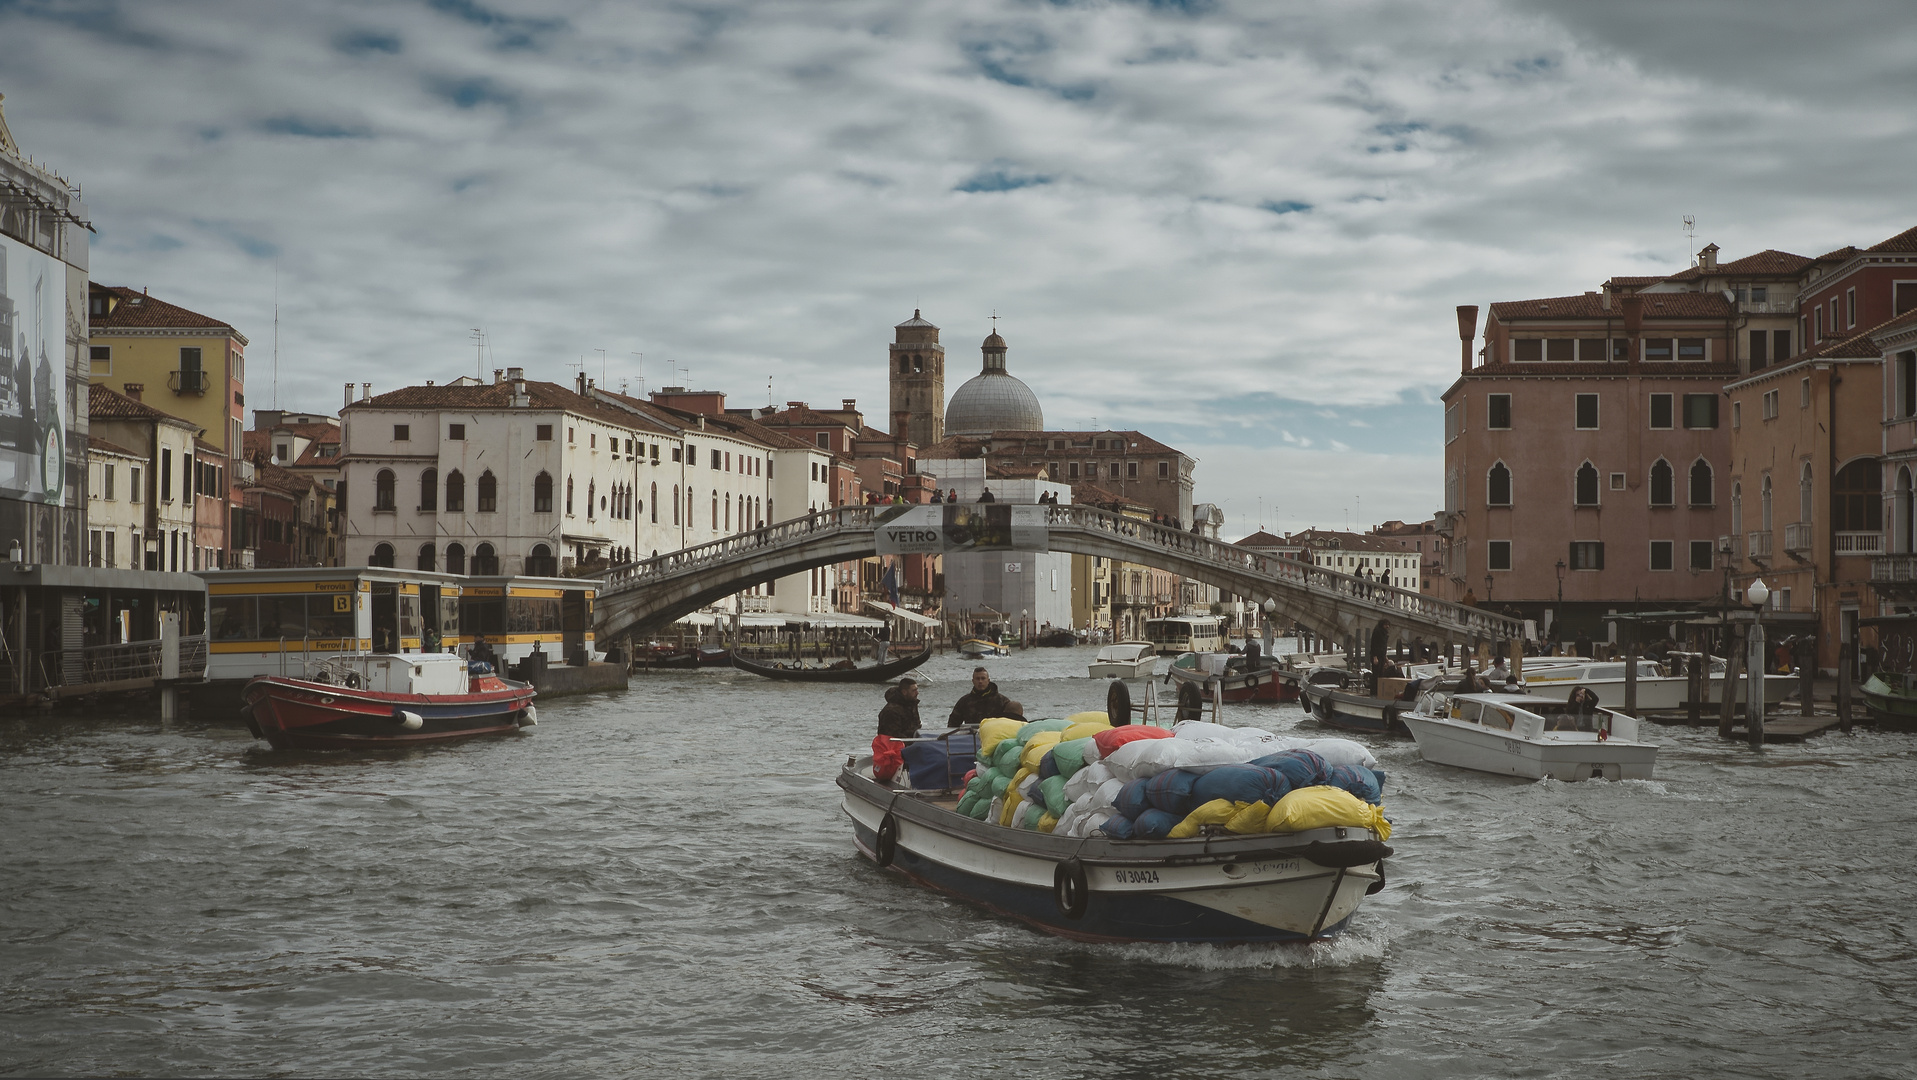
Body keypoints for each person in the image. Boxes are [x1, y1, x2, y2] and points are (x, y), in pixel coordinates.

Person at [947, 666, 1020, 727]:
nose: (980, 681)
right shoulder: (964, 702)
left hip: (994, 737)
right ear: (973, 681)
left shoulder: (1002, 701)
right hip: (971, 738)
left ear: (988, 680)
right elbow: (952, 724)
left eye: (983, 678)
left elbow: (1013, 723)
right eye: (977, 679)